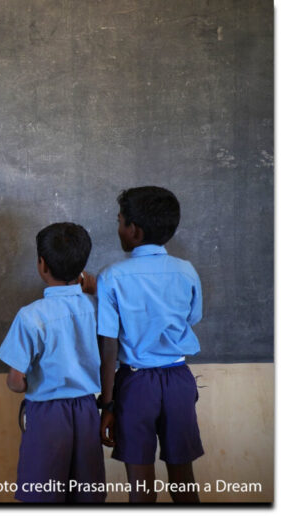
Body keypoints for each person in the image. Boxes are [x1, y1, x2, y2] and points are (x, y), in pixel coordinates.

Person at [97, 186, 203, 503]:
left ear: (134, 231)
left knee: (141, 489)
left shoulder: (111, 276)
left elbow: (109, 347)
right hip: (178, 380)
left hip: (135, 384)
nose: (118, 228)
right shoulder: (187, 271)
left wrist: (108, 404)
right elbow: (192, 318)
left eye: (119, 221)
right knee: (184, 481)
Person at [0, 222, 105, 503]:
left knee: (42, 494)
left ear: (42, 265)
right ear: (83, 266)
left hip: (47, 414)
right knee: (86, 493)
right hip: (87, 410)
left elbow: (15, 379)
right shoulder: (98, 307)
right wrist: (93, 286)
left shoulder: (31, 316)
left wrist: (21, 387)